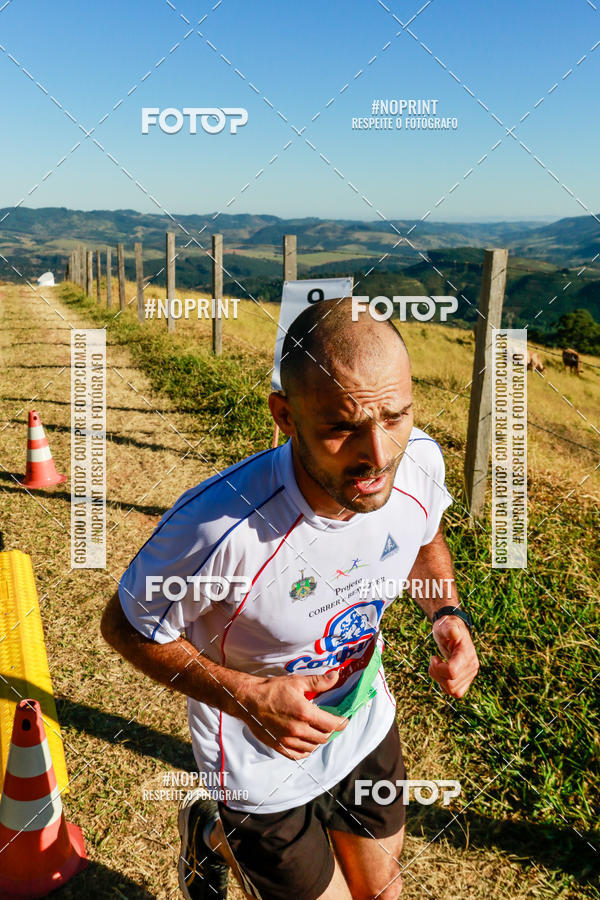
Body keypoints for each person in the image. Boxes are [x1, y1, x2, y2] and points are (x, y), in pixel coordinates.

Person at [101, 297, 479, 900]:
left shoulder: (419, 466)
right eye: (340, 427)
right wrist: (247, 697)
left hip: (363, 724)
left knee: (382, 888)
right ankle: (213, 830)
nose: (378, 458)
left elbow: (426, 531)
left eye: (395, 417)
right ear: (284, 414)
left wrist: (445, 611)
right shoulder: (217, 528)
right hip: (257, 762)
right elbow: (126, 625)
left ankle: (215, 834)